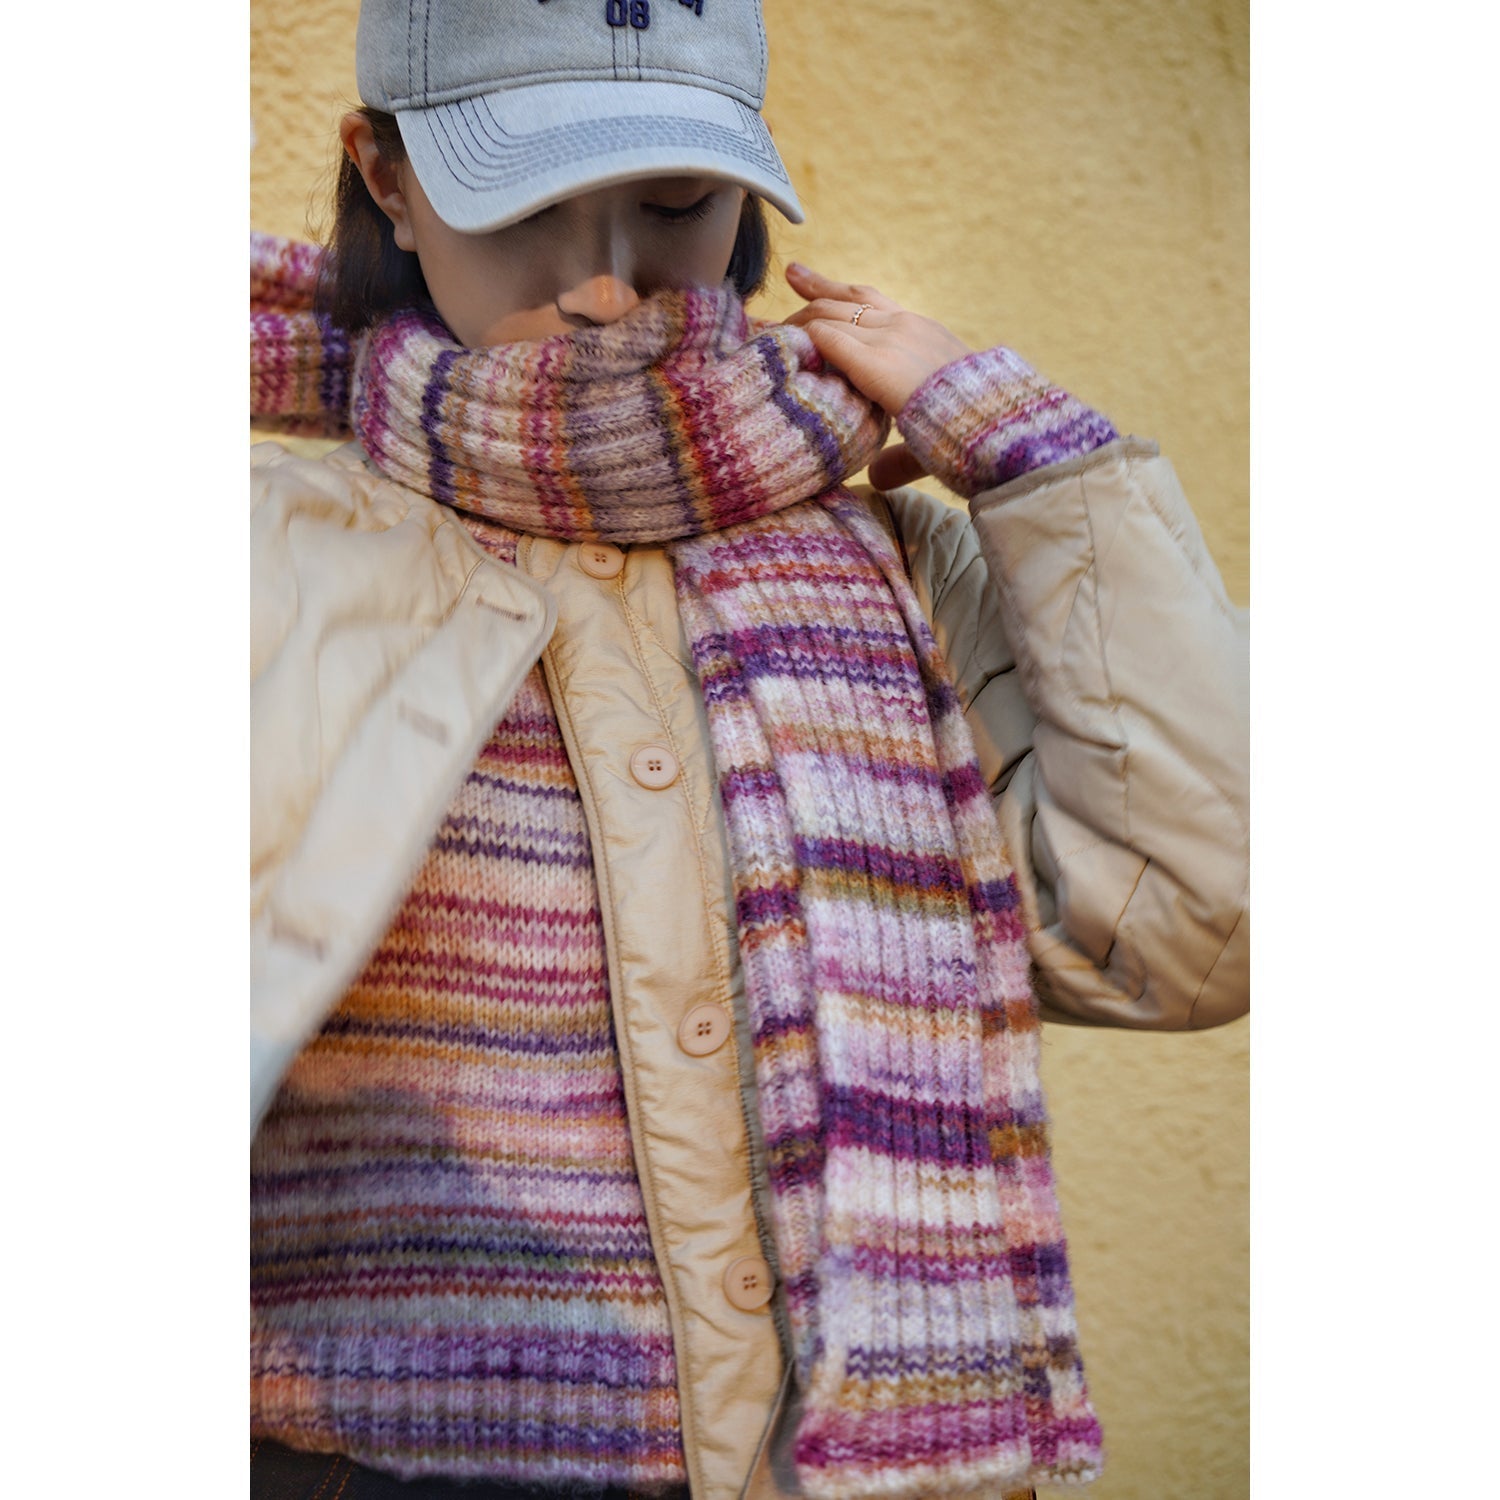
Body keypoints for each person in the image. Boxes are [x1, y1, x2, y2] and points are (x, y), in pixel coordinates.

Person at [250, 2, 1249, 1497]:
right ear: (384, 178)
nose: (607, 286)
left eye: (673, 204)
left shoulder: (905, 563)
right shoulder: (261, 554)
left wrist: (1049, 467)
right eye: (520, 203)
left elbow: (1197, 922)